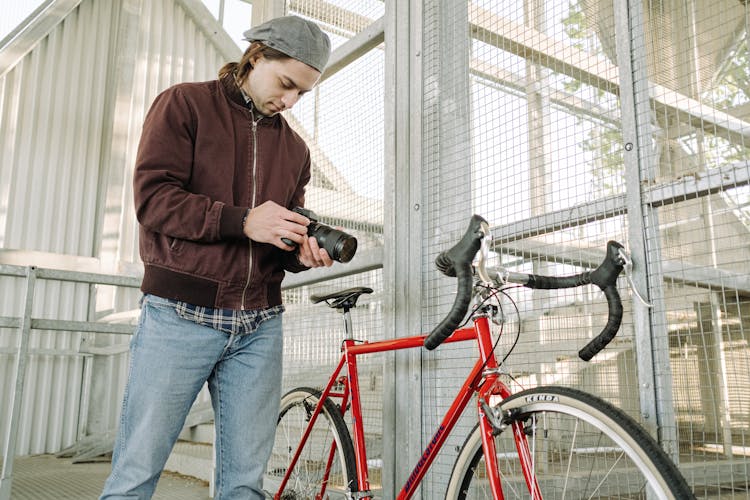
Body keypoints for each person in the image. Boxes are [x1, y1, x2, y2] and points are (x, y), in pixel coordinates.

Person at [100, 15, 333, 500]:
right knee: (135, 476)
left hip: (260, 325)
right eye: (286, 83)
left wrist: (299, 252)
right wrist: (242, 220)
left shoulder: (295, 149)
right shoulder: (185, 105)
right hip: (178, 316)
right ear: (257, 55)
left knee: (245, 485)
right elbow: (153, 199)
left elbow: (276, 238)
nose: (289, 102)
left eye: (302, 94)